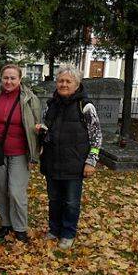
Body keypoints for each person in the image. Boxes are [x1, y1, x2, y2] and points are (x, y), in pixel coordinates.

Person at [38, 66, 102, 249]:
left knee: (71, 202)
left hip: (75, 164)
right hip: (52, 162)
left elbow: (97, 137)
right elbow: (47, 129)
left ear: (77, 84)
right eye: (60, 81)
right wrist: (41, 132)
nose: (63, 84)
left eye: (68, 81)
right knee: (54, 199)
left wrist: (91, 161)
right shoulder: (51, 105)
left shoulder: (86, 107)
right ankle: (54, 229)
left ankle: (68, 233)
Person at [0, 64, 41, 243]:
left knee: (16, 191)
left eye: (13, 78)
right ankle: (6, 223)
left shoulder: (29, 99)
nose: (9, 81)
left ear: (20, 79)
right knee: (0, 189)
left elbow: (37, 125)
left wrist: (34, 154)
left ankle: (20, 227)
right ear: (1, 78)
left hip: (20, 152)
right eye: (6, 78)